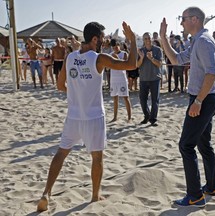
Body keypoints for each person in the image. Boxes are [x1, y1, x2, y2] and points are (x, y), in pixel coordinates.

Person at [36, 21, 137, 212]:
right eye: (102, 38)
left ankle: (46, 193)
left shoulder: (70, 57)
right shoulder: (98, 58)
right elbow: (131, 64)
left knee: (61, 153)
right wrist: (131, 39)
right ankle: (94, 195)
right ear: (94, 39)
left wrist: (76, 95)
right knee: (97, 157)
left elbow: (59, 85)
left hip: (74, 115)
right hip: (93, 116)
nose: (104, 41)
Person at [160, 6, 215, 207]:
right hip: (205, 96)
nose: (181, 23)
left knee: (186, 145)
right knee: (204, 143)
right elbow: (176, 59)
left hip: (204, 98)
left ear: (194, 19)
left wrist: (198, 101)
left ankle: (195, 196)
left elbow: (212, 74)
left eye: (183, 19)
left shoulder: (203, 41)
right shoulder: (197, 40)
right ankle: (212, 186)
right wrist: (163, 38)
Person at [137, 32, 162, 126]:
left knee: (155, 100)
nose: (147, 40)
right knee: (142, 100)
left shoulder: (158, 50)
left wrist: (151, 58)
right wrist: (142, 58)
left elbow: (159, 64)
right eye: (145, 39)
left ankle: (153, 119)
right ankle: (147, 116)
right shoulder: (140, 51)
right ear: (143, 40)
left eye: (149, 38)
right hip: (143, 78)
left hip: (155, 78)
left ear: (152, 39)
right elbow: (137, 65)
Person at [109, 38, 132, 122]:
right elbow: (108, 67)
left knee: (126, 98)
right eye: (113, 47)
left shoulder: (124, 53)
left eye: (116, 46)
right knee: (115, 98)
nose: (115, 48)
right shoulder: (110, 54)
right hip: (113, 79)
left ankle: (129, 117)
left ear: (119, 45)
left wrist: (117, 58)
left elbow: (125, 65)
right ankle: (115, 117)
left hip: (122, 78)